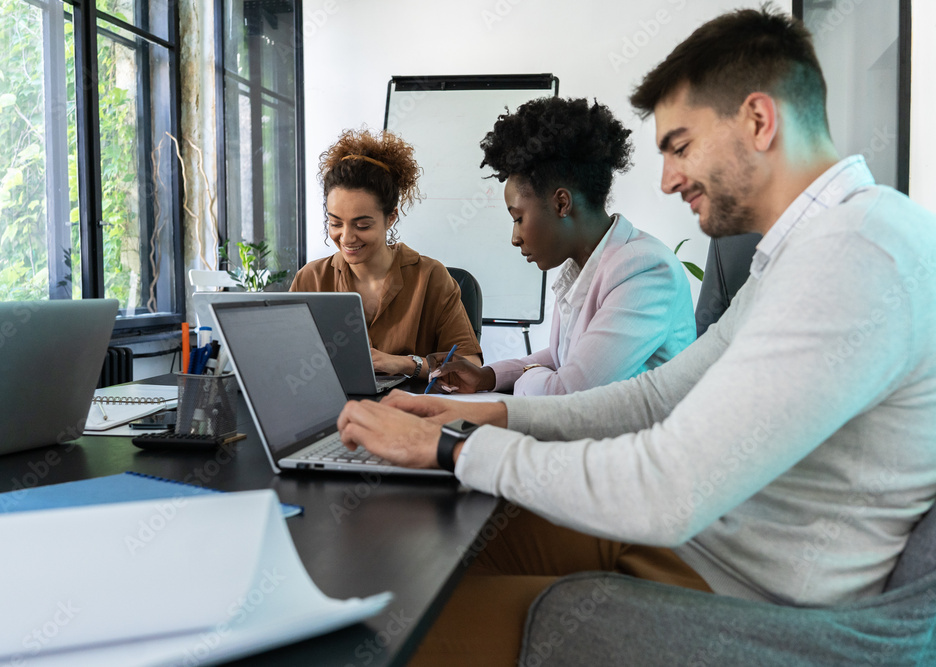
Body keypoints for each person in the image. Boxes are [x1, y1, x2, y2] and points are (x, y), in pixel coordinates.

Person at [335, 8, 936, 666]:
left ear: (759, 121)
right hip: (698, 545)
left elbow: (668, 488)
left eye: (680, 145)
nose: (667, 179)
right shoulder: (801, 252)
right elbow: (656, 398)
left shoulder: (859, 251)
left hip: (741, 601)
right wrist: (480, 414)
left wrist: (455, 446)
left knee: (385, 635)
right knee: (412, 563)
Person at [428, 97, 695, 397]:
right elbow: (560, 358)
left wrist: (533, 377)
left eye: (518, 219)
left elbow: (567, 392)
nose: (515, 237)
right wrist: (486, 377)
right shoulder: (580, 268)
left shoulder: (643, 270)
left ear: (561, 203)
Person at [290, 128, 481, 379]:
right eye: (335, 223)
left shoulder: (431, 278)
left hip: (409, 403)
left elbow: (471, 365)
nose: (346, 238)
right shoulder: (310, 279)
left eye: (362, 225)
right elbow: (287, 359)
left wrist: (405, 364)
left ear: (390, 218)